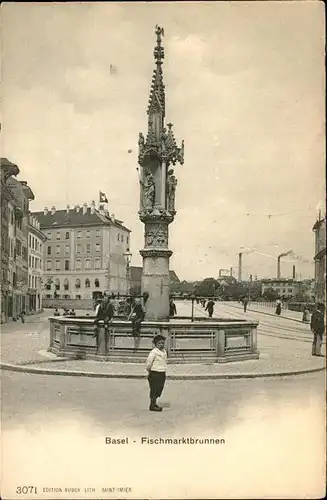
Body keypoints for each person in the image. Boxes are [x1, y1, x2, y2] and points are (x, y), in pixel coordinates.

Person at [145, 335, 167, 412]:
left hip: (162, 373)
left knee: (159, 389)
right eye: (159, 343)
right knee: (154, 389)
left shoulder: (164, 351)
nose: (161, 345)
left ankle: (154, 403)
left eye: (163, 343)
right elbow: (148, 363)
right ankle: (152, 405)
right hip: (155, 373)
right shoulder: (153, 352)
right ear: (155, 344)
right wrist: (150, 372)